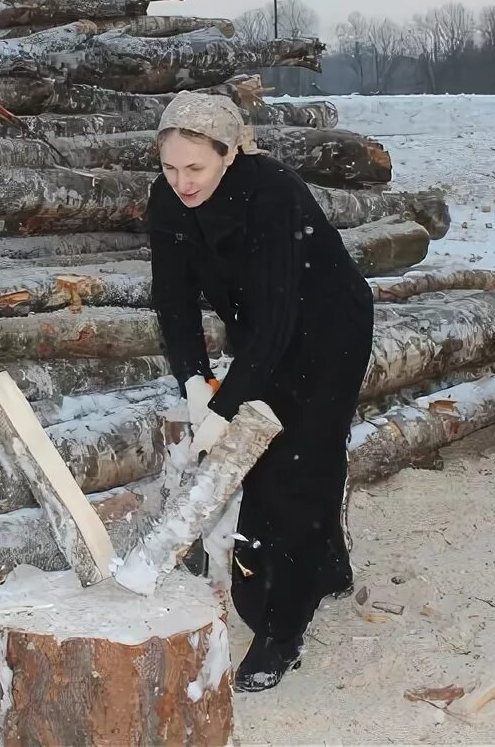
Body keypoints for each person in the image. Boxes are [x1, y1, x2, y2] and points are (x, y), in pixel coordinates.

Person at [146, 90, 374, 692]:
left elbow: (279, 316)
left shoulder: (272, 194)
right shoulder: (166, 200)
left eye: (196, 168)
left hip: (328, 329)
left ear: (228, 155)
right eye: (170, 167)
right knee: (283, 460)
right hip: (262, 333)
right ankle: (326, 569)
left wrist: (226, 407)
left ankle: (281, 628)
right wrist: (195, 380)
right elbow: (172, 299)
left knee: (294, 466)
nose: (182, 182)